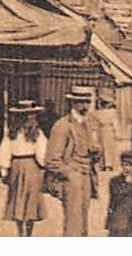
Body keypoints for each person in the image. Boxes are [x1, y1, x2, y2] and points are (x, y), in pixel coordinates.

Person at [46, 87, 102, 236]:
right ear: (72, 103)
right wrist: (69, 173)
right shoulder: (62, 125)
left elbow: (97, 154)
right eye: (81, 102)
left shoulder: (91, 123)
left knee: (83, 221)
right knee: (73, 222)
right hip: (72, 179)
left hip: (87, 177)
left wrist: (97, 153)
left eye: (87, 102)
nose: (85, 106)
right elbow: (51, 160)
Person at [0, 100, 47, 237]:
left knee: (19, 199)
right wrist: (43, 167)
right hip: (31, 166)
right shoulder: (36, 133)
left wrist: (4, 171)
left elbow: (4, 152)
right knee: (30, 200)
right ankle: (27, 234)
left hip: (17, 166)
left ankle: (21, 233)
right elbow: (42, 155)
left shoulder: (12, 133)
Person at [105, 150, 132, 237]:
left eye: (131, 165)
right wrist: (128, 183)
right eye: (125, 165)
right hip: (119, 222)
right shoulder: (115, 181)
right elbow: (117, 196)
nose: (127, 168)